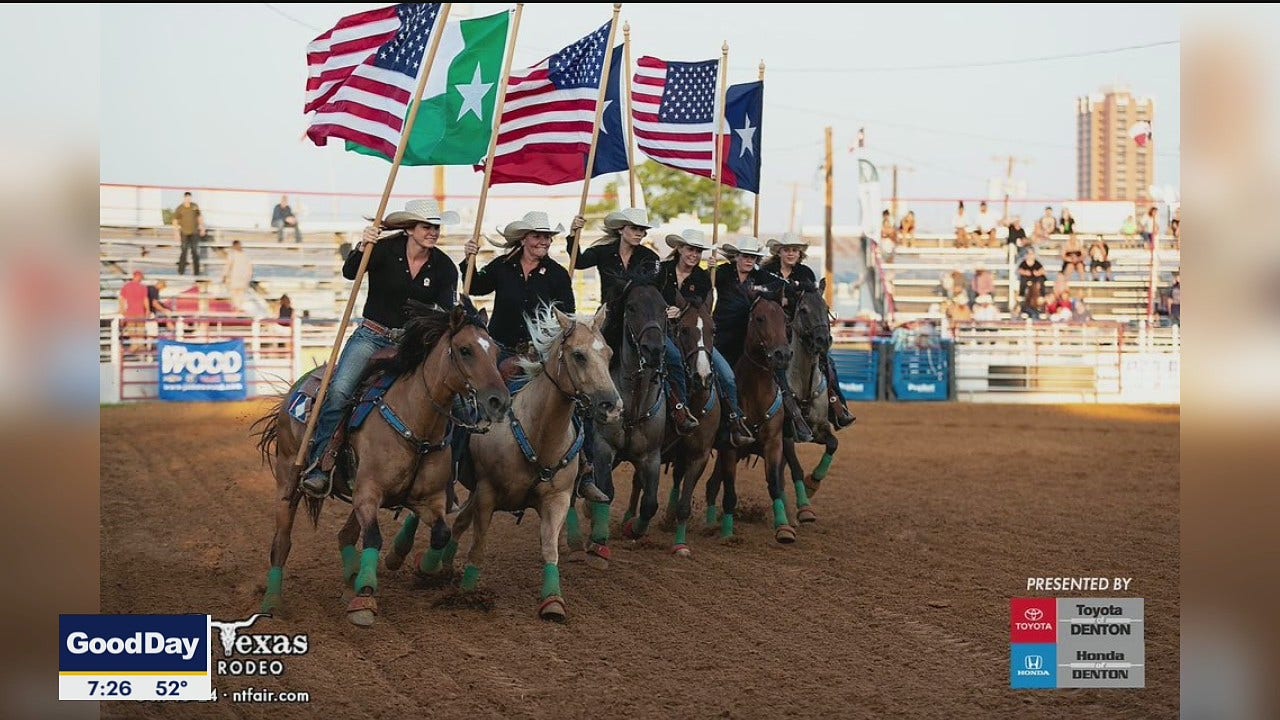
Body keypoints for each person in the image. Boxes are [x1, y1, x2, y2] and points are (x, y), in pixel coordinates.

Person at [301, 199, 461, 497]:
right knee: (339, 391)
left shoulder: (444, 266)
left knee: (452, 398)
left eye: (436, 227)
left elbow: (446, 308)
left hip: (412, 341)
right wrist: (363, 247)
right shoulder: (383, 250)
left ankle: (444, 475)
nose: (434, 232)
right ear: (410, 229)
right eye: (427, 227)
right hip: (371, 336)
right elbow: (351, 272)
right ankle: (321, 463)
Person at [461, 210, 601, 500]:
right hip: (499, 349)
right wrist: (469, 259)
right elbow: (475, 285)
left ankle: (584, 469)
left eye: (548, 236)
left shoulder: (559, 275)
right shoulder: (502, 266)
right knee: (469, 400)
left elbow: (567, 318)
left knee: (572, 402)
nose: (544, 241)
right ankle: (462, 461)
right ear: (524, 238)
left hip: (540, 355)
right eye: (538, 236)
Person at [565, 209, 704, 430]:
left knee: (674, 358)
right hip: (610, 320)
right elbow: (578, 261)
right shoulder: (603, 252)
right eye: (635, 228)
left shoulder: (649, 258)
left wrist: (674, 308)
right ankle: (581, 412)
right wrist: (574, 235)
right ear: (622, 229)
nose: (639, 233)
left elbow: (658, 287)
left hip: (643, 321)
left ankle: (679, 408)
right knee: (587, 359)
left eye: (642, 230)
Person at [713, 236, 814, 443]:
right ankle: (718, 421)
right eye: (745, 256)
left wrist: (787, 292)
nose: (749, 261)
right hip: (722, 337)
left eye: (753, 257)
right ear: (736, 257)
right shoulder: (721, 273)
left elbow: (782, 287)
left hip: (748, 338)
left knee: (779, 373)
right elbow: (704, 283)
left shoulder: (762, 277)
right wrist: (710, 268)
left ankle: (795, 417)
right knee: (716, 377)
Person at [659, 229, 754, 447]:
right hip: (662, 333)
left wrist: (680, 312)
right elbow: (651, 296)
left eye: (698, 251)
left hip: (692, 337)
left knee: (728, 376)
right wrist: (663, 309)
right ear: (680, 249)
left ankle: (734, 420)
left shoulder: (702, 277)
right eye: (690, 249)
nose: (694, 254)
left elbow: (699, 307)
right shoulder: (662, 271)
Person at [762, 233, 856, 429]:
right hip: (772, 326)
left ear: (800, 253)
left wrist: (787, 296)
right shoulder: (766, 271)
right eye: (787, 250)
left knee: (826, 361)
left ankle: (837, 405)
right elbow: (763, 294)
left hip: (799, 326)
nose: (790, 253)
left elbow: (810, 297)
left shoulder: (805, 273)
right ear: (779, 252)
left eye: (794, 250)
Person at [172, 191, 205, 276]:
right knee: (184, 251)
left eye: (189, 198)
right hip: (184, 232)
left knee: (194, 251)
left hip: (194, 232)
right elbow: (175, 220)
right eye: (187, 198)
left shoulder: (195, 206)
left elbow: (199, 217)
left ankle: (196, 272)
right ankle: (181, 271)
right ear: (184, 198)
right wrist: (176, 233)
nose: (188, 199)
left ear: (191, 198)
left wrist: (202, 227)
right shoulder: (180, 208)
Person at [118, 270, 149, 354]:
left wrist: (147, 310)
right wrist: (122, 309)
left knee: (137, 329)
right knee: (136, 329)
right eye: (140, 277)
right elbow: (122, 299)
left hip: (135, 311)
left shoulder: (128, 286)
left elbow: (122, 299)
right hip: (134, 311)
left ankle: (137, 345)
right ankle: (136, 345)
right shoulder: (141, 287)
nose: (141, 279)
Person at [221, 240, 255, 312]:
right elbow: (228, 265)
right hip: (235, 277)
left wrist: (249, 275)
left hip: (242, 277)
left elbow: (250, 266)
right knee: (235, 293)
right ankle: (237, 307)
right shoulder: (232, 254)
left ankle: (238, 307)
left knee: (240, 293)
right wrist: (225, 275)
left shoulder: (244, 255)